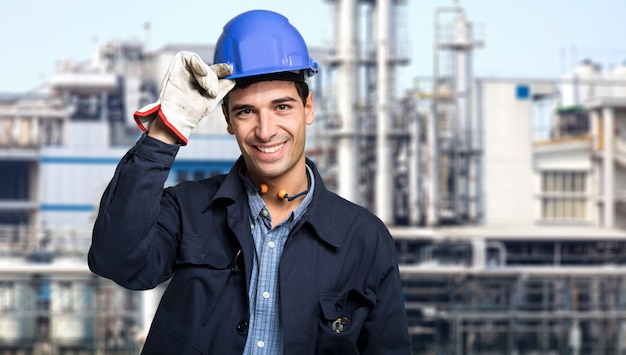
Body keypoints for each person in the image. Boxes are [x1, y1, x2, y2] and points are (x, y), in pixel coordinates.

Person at [88, 9, 411, 355]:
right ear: (227, 118)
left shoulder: (363, 238)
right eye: (246, 111)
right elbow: (116, 261)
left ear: (309, 108)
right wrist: (165, 132)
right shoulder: (187, 210)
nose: (265, 130)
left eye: (282, 107)